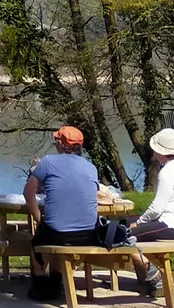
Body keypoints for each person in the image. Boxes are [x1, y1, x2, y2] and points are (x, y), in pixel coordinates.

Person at [24, 125, 101, 300]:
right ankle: (55, 283)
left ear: (62, 144)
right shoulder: (91, 167)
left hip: (58, 234)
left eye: (57, 140)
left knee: (38, 240)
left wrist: (39, 220)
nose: (55, 143)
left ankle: (39, 286)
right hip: (88, 234)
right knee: (57, 234)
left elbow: (28, 193)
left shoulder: (48, 162)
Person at [129, 128, 174, 293]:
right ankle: (150, 276)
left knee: (126, 235)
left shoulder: (167, 172)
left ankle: (156, 274)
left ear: (159, 151)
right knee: (129, 222)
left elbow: (156, 208)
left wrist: (138, 223)